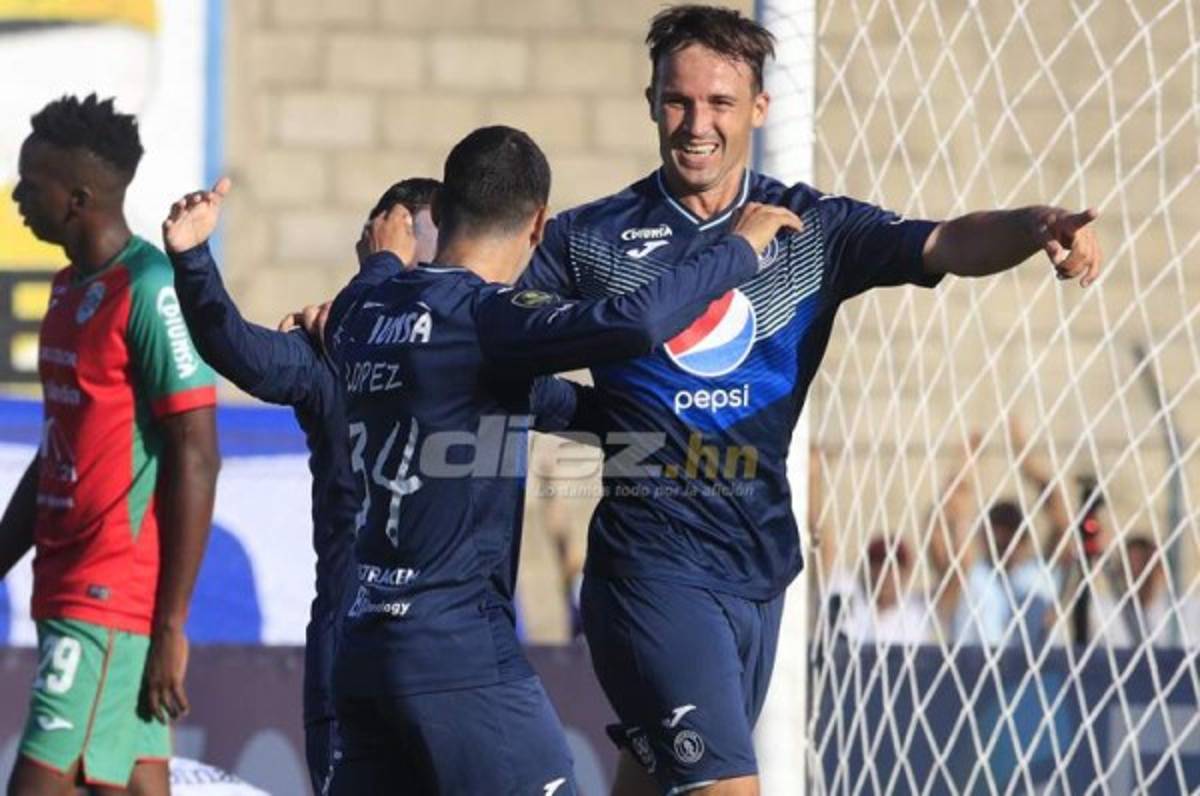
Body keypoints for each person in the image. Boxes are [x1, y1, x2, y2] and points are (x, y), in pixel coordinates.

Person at [515, 5, 1103, 793]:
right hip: (650, 571)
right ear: (651, 101)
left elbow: (946, 242)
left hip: (758, 567)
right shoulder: (589, 238)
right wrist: (588, 415)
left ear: (759, 108)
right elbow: (491, 336)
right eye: (678, 100)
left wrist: (1034, 226)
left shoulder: (813, 229)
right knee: (728, 785)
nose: (697, 124)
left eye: (720, 103)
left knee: (654, 779)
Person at [321, 124, 800, 794]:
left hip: (366, 648)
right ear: (539, 224)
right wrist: (737, 253)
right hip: (460, 654)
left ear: (447, 206)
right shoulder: (490, 317)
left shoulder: (362, 307)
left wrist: (378, 265)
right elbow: (633, 322)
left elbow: (552, 402)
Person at [162, 177, 439, 794]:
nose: (425, 273)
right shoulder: (331, 353)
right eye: (403, 250)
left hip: (455, 654)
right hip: (354, 646)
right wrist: (195, 261)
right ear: (372, 248)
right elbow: (236, 348)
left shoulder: (484, 349)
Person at [0, 94, 219, 796]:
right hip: (66, 586)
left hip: (109, 597)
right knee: (130, 783)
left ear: (77, 199)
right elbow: (58, 448)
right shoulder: (68, 290)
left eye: (30, 184)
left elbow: (196, 452)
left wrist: (172, 624)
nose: (16, 197)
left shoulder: (149, 287)